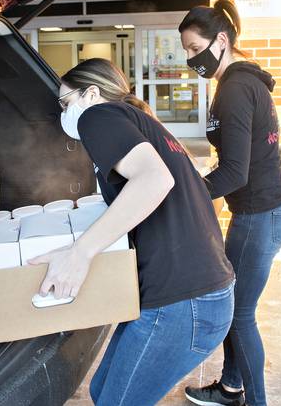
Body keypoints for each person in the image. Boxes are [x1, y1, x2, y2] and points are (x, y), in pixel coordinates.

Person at [29, 58, 235, 405]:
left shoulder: (99, 116)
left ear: (91, 93)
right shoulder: (139, 121)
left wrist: (80, 253)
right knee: (101, 391)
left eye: (66, 103)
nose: (64, 113)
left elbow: (155, 180)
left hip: (184, 303)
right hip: (199, 296)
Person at [180, 0, 281, 406]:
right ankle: (231, 388)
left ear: (222, 40)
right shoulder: (240, 84)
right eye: (187, 53)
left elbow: (234, 173)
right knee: (238, 308)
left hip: (258, 212)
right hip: (271, 206)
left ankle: (256, 401)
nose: (192, 59)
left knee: (239, 314)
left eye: (196, 49)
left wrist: (183, 192)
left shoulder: (235, 90)